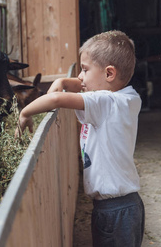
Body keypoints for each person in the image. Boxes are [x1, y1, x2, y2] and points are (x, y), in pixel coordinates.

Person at [16, 30, 145, 247]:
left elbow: (56, 99)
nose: (80, 77)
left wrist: (24, 113)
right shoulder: (127, 98)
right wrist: (63, 80)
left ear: (109, 73)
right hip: (127, 206)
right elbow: (86, 86)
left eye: (84, 70)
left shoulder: (105, 102)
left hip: (113, 211)